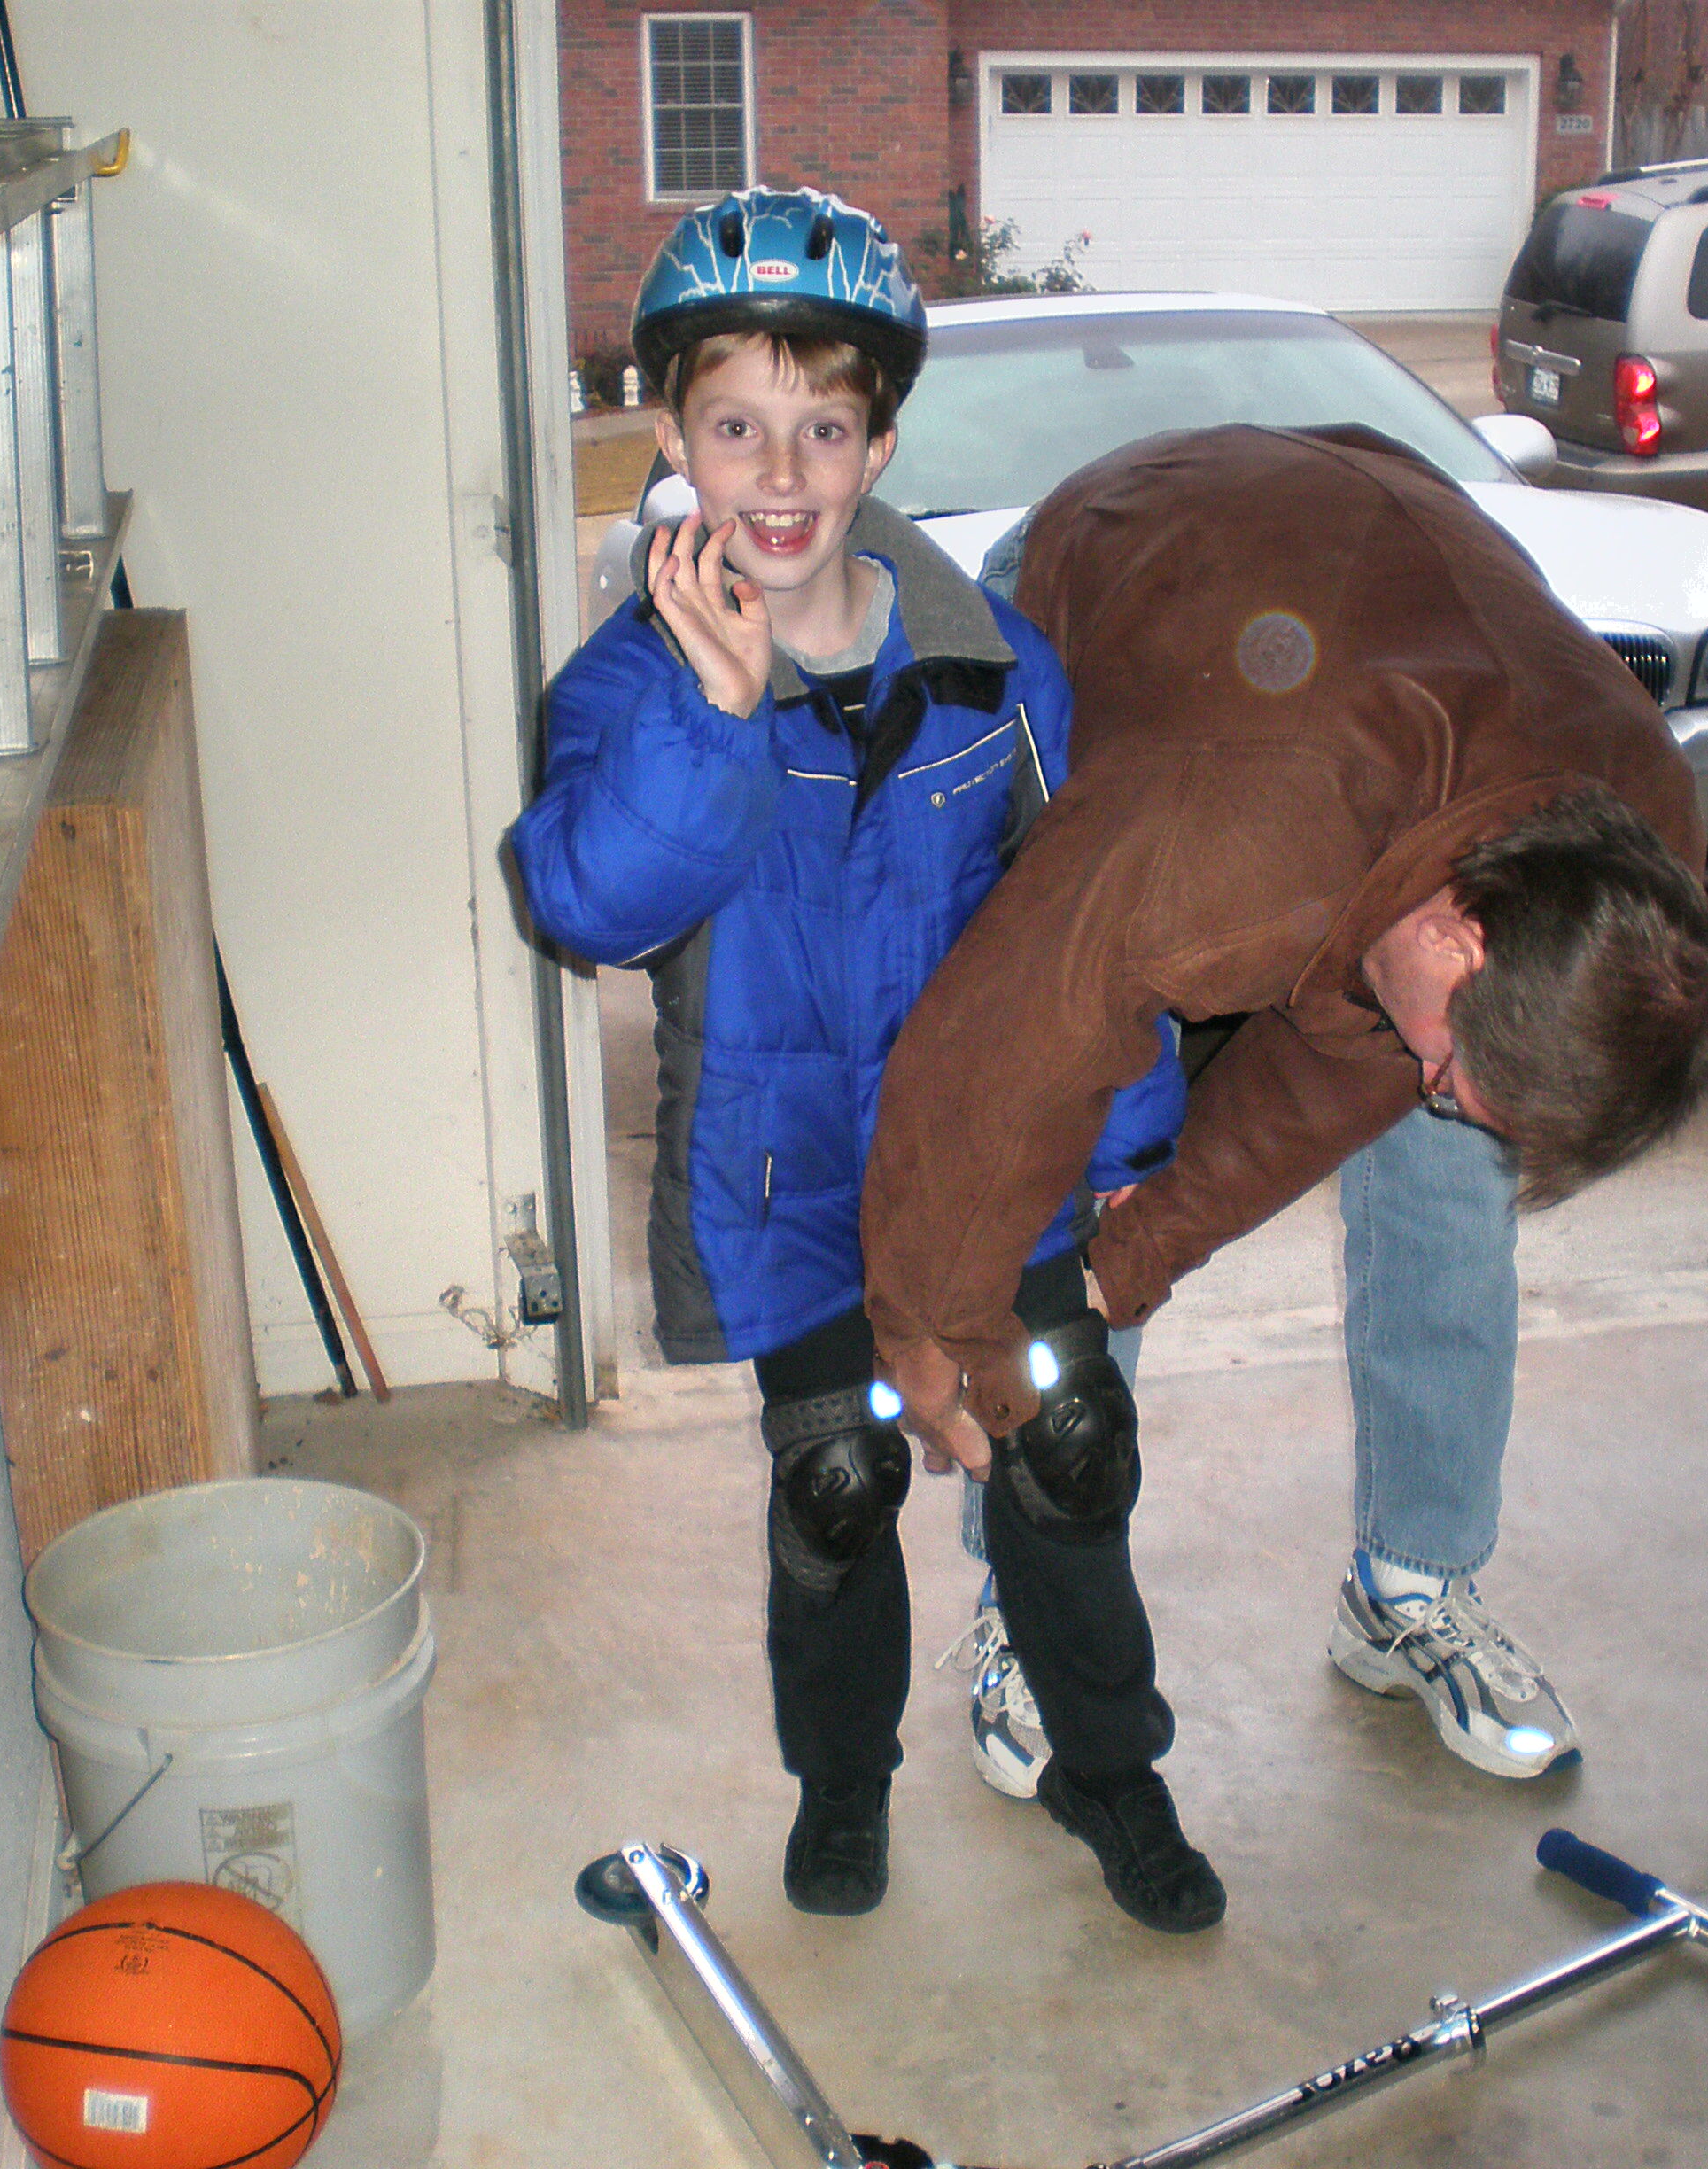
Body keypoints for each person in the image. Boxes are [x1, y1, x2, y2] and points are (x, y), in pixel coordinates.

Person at [512, 188, 1217, 1934]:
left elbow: (1079, 929)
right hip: (790, 1177)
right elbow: (584, 901)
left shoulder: (996, 672)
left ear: (880, 441)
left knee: (1067, 1452)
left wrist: (1125, 1143)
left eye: (822, 428)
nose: (779, 472)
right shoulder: (632, 688)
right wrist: (718, 721)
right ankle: (844, 1783)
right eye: (734, 425)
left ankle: (1111, 1767)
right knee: (839, 1485)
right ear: (667, 432)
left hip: (991, 1164)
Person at [863, 423, 1708, 1797]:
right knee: (1077, 1153)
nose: (1433, 1091)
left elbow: (1353, 1069)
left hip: (1394, 577)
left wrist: (1143, 1256)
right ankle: (1031, 1604)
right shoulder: (1228, 845)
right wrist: (935, 1325)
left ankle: (1410, 1590)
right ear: (1457, 935)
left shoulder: (1643, 865)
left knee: (1450, 1182)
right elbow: (988, 1061)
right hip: (1129, 559)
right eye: (1449, 1065)